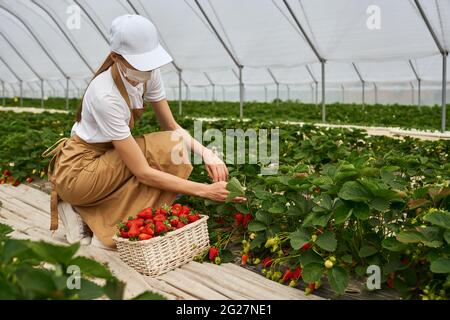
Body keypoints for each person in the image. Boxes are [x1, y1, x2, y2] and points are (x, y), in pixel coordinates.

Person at [42, 14, 245, 250]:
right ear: (117, 57)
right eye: (140, 64)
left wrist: (207, 153)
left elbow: (172, 126)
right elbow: (142, 172)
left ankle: (95, 218)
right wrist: (205, 191)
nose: (148, 70)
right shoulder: (105, 94)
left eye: (151, 62)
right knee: (166, 151)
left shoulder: (148, 74)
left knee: (171, 147)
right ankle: (85, 212)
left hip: (105, 162)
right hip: (79, 173)